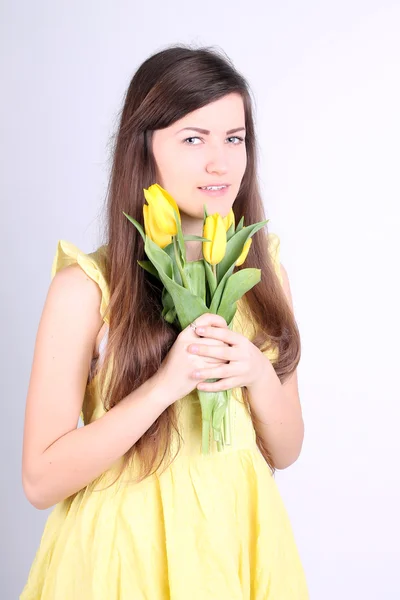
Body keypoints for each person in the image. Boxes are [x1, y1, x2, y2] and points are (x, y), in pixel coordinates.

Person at [21, 44, 308, 599]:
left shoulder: (264, 274)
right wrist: (165, 386)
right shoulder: (86, 289)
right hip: (124, 558)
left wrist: (253, 370)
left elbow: (288, 450)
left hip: (237, 547)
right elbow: (40, 479)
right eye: (193, 139)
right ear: (144, 149)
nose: (220, 162)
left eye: (234, 138)